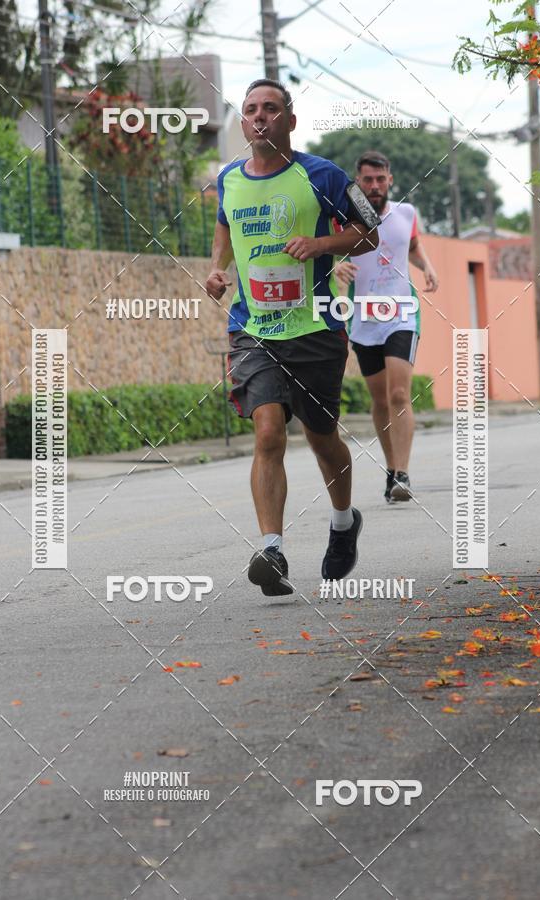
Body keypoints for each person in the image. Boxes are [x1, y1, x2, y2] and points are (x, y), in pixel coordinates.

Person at [204, 79, 378, 596]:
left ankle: (344, 522)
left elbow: (368, 230)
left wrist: (322, 241)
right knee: (267, 433)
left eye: (272, 109)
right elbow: (224, 228)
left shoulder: (322, 174)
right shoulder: (229, 179)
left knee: (322, 437)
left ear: (290, 121)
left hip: (315, 327)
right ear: (243, 124)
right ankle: (273, 550)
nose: (261, 117)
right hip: (253, 329)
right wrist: (216, 271)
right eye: (252, 110)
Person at [336, 150, 438, 503]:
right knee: (379, 400)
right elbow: (332, 254)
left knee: (398, 394)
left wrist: (426, 266)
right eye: (368, 180)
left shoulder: (405, 213)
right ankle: (392, 469)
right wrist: (337, 268)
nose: (375, 186)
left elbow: (410, 246)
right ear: (359, 182)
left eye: (381, 179)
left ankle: (404, 474)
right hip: (363, 318)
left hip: (402, 313)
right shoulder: (343, 218)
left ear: (390, 180)